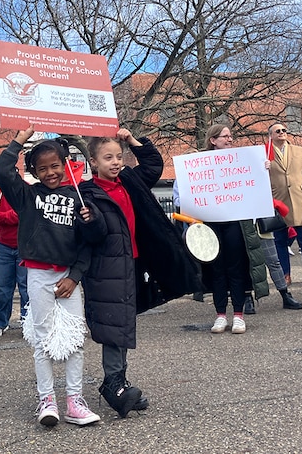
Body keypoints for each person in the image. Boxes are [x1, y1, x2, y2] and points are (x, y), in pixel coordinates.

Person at [79, 129, 199, 418]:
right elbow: (88, 234)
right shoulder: (86, 193)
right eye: (108, 158)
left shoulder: (129, 180)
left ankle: (119, 381)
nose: (116, 162)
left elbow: (153, 165)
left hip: (133, 263)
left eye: (119, 156)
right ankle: (115, 384)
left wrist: (133, 141)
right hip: (106, 269)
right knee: (113, 324)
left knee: (123, 321)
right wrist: (89, 220)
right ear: (93, 162)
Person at [0, 126, 101, 427]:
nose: (51, 173)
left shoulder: (78, 197)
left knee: (75, 340)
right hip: (39, 276)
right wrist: (18, 140)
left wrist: (76, 275)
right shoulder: (27, 197)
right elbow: (3, 172)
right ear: (34, 172)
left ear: (66, 163)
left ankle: (75, 401)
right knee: (42, 341)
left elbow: (90, 242)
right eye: (43, 169)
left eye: (55, 165)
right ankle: (47, 400)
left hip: (69, 278)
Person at [200, 125, 269, 335]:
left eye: (231, 136)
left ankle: (238, 314)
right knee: (217, 269)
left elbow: (255, 186)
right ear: (213, 140)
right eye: (225, 136)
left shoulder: (243, 160)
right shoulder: (199, 163)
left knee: (236, 268)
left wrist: (262, 168)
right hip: (211, 223)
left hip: (236, 222)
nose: (230, 139)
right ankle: (220, 314)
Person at [267, 122, 302, 286]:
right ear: (270, 135)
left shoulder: (298, 150)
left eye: (284, 130)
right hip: (277, 201)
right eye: (278, 131)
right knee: (280, 241)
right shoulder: (264, 153)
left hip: (299, 200)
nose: (282, 132)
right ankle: (285, 275)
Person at [0, 162, 28, 337]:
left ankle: (27, 321)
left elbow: (22, 215)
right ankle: (1, 321)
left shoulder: (24, 189)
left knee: (26, 287)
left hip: (24, 244)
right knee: (2, 287)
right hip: (4, 245)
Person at [258, 200, 302, 310]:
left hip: (260, 228)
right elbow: (283, 209)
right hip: (248, 227)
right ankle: (285, 295)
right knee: (272, 263)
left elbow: (283, 209)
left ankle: (285, 294)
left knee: (273, 262)